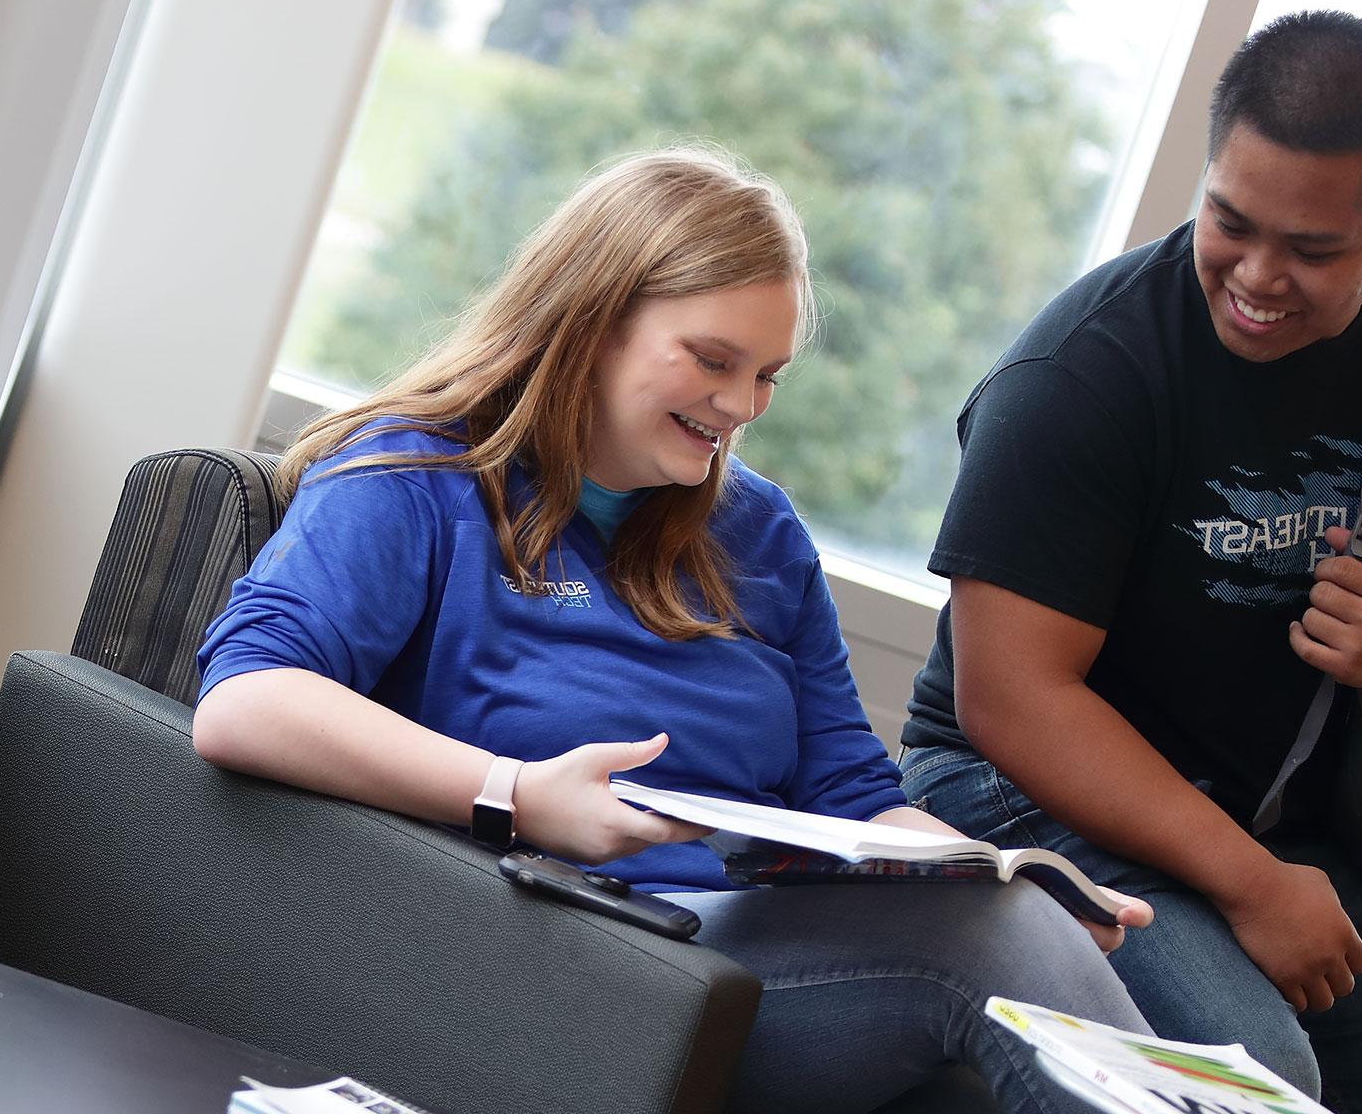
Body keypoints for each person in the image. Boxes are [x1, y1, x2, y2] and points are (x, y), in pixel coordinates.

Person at [192, 147, 1153, 1114]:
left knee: (1003, 957)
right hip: (525, 943)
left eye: (767, 375)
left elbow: (849, 792)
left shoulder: (760, 529)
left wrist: (1003, 877)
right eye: (713, 361)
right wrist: (518, 796)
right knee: (991, 949)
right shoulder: (422, 475)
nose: (740, 409)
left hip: (712, 963)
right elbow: (243, 701)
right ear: (596, 320)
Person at [898, 11, 1362, 1113]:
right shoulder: (1084, 373)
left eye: (1312, 249)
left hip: (1284, 838)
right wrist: (1255, 887)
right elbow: (1011, 697)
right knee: (1262, 1087)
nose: (1257, 277)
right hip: (1019, 798)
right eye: (1230, 222)